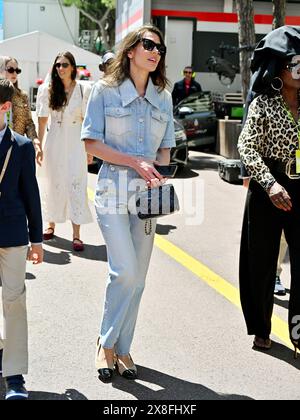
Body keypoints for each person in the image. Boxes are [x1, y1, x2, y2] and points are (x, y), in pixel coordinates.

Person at [81, 24, 175, 381]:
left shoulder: (163, 97)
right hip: (112, 192)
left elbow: (165, 146)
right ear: (131, 50)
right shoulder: (104, 91)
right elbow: (91, 144)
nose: (155, 52)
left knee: (139, 279)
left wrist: (161, 174)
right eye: (149, 44)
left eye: (160, 48)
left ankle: (122, 348)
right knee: (125, 271)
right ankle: (105, 344)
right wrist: (135, 161)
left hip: (147, 198)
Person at [238, 26, 300, 358]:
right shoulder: (263, 103)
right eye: (297, 63)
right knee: (261, 261)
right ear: (281, 68)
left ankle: (298, 328)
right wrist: (271, 183)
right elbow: (246, 147)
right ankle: (262, 328)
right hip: (268, 187)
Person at [0, 79, 43, 400]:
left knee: (14, 303)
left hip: (13, 236)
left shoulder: (22, 146)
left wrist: (37, 240)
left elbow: (32, 196)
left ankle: (14, 377)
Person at [36, 51, 93, 251]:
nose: (61, 68)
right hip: (55, 142)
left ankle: (76, 235)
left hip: (76, 143)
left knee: (76, 184)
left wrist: (89, 149)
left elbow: (88, 122)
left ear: (73, 67)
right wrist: (39, 146)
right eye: (58, 64)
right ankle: (50, 224)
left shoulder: (83, 90)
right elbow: (42, 120)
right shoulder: (47, 89)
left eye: (65, 64)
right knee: (54, 182)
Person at [0, 56, 40, 152]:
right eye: (10, 70)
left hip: (17, 147)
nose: (14, 73)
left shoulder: (23, 96)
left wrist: (34, 140)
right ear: (1, 71)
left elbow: (28, 123)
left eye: (17, 70)